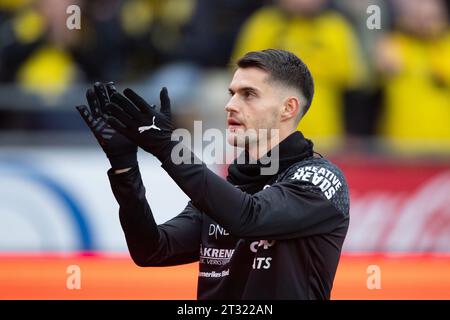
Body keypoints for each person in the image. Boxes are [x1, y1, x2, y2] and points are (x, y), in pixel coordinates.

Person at [76, 49, 349, 299]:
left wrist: (167, 147)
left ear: (288, 108)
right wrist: (124, 164)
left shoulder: (320, 180)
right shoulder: (228, 189)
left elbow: (250, 217)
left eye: (248, 94)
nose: (230, 105)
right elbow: (152, 250)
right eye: (232, 93)